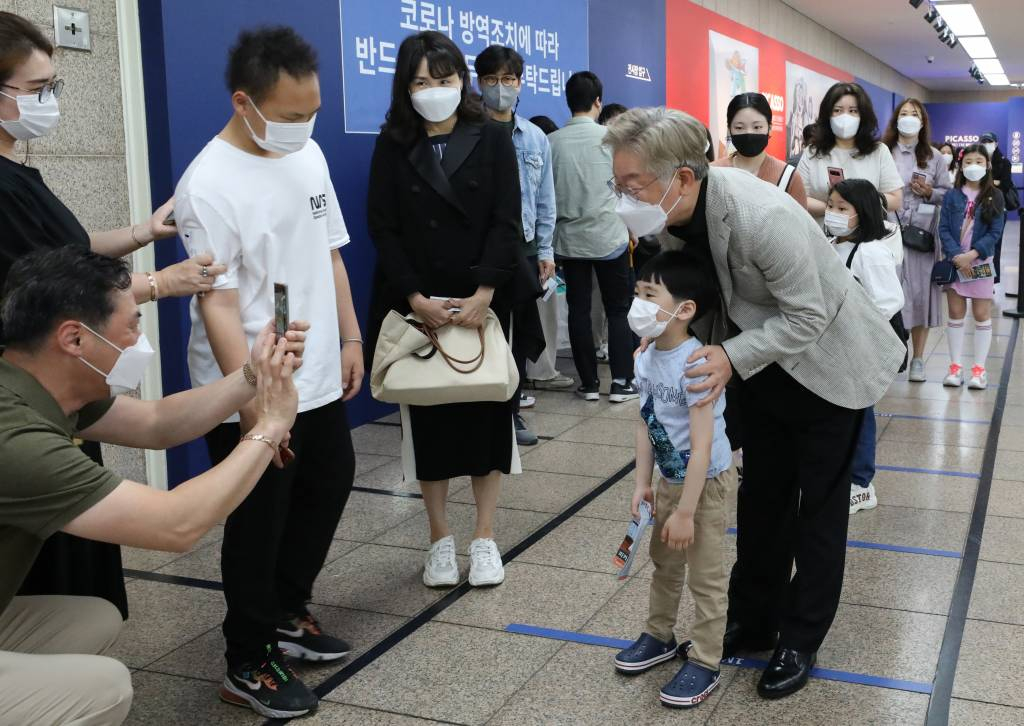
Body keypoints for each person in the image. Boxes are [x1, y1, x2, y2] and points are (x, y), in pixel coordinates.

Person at [605, 107, 904, 699]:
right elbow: (705, 294)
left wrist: (730, 357)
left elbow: (809, 316)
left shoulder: (760, 215)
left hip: (829, 367)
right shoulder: (671, 219)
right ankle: (753, 618)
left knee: (818, 511)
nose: (623, 197)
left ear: (682, 178)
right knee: (764, 499)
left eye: (633, 185)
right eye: (619, 184)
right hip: (761, 369)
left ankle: (800, 637)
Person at [0, 246, 306, 726]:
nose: (139, 340)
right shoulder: (13, 436)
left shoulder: (33, 382)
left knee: (92, 619)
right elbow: (174, 526)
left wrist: (252, 374)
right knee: (104, 688)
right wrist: (267, 430)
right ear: (75, 339)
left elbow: (156, 424)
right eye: (131, 326)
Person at [0, 9, 223, 620]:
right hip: (35, 394)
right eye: (37, 90)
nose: (49, 102)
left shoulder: (16, 169)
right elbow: (43, 284)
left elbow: (63, 248)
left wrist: (137, 233)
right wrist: (155, 284)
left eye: (54, 88)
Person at [174, 26, 360, 718]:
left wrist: (349, 334)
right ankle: (248, 659)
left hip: (312, 370)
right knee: (257, 520)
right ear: (244, 101)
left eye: (311, 112)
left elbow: (331, 252)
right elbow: (219, 305)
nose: (303, 126)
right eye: (289, 115)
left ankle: (287, 610)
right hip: (250, 386)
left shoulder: (306, 153)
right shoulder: (208, 185)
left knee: (329, 483)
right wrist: (254, 410)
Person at [366, 31, 523, 592]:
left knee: (486, 424)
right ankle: (438, 539)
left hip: (482, 300)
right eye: (421, 82)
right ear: (405, 88)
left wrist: (484, 294)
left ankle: (484, 538)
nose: (434, 91)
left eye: (445, 79)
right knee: (428, 427)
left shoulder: (491, 137)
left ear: (463, 80)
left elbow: (508, 221)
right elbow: (382, 225)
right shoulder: (393, 143)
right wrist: (413, 297)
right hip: (421, 303)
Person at [613, 251, 736, 709]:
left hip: (706, 484)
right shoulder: (646, 358)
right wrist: (642, 483)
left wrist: (686, 510)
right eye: (637, 294)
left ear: (684, 309)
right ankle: (659, 635)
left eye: (650, 296)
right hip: (668, 478)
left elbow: (702, 447)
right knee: (664, 564)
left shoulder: (696, 363)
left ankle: (705, 659)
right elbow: (645, 422)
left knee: (705, 577)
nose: (638, 304)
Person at [474, 45, 563, 447]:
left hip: (523, 248)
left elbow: (546, 198)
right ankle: (483, 418)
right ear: (478, 83)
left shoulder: (535, 137)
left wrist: (545, 250)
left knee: (518, 337)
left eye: (508, 79)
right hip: (479, 251)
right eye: (491, 80)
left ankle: (511, 415)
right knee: (482, 336)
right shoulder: (468, 133)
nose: (500, 88)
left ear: (520, 83)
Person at [549, 71, 637, 403]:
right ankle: (620, 382)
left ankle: (587, 384)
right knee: (618, 309)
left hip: (569, 239)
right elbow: (627, 188)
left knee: (579, 310)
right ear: (598, 101)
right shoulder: (611, 139)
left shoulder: (552, 141)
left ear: (568, 101)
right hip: (609, 236)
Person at [824, 180, 905, 514]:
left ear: (864, 212)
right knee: (838, 412)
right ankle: (842, 474)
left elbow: (890, 301)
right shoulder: (830, 244)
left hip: (861, 345)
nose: (833, 213)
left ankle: (861, 482)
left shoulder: (870, 253)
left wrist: (854, 320)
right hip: (834, 344)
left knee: (860, 413)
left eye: (843, 208)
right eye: (830, 206)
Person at [880, 98, 950, 383]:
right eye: (904, 113)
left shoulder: (934, 157)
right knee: (886, 296)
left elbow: (948, 193)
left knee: (921, 297)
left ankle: (919, 358)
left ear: (922, 122)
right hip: (885, 233)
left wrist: (929, 191)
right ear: (896, 119)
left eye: (914, 114)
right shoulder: (881, 152)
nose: (909, 118)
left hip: (920, 237)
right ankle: (888, 356)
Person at [938, 144, 1005, 391]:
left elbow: (996, 232)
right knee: (955, 314)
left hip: (980, 265)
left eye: (979, 161)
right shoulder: (952, 195)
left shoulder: (994, 196)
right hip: (956, 264)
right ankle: (955, 367)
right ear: (961, 165)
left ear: (987, 165)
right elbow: (943, 228)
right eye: (968, 162)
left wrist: (973, 254)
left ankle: (979, 370)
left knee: (981, 315)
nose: (972, 167)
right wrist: (957, 256)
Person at [798, 82, 903, 225]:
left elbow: (895, 199)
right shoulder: (813, 152)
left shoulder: (879, 151)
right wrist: (834, 208)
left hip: (864, 239)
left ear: (863, 115)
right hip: (820, 236)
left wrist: (858, 203)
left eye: (853, 111)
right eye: (837, 110)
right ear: (827, 114)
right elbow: (799, 197)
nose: (845, 116)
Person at [713, 92, 808, 209]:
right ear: (729, 130)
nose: (749, 133)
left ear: (770, 128)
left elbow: (800, 225)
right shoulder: (714, 172)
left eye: (757, 127)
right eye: (739, 127)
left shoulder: (788, 177)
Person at [980, 131, 1018, 283]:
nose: (986, 144)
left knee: (995, 245)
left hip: (998, 209)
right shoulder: (978, 161)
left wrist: (990, 184)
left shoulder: (1004, 162)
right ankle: (981, 278)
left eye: (989, 141)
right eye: (984, 141)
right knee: (979, 243)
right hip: (980, 208)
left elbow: (1006, 184)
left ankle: (993, 279)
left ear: (995, 144)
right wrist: (995, 182)